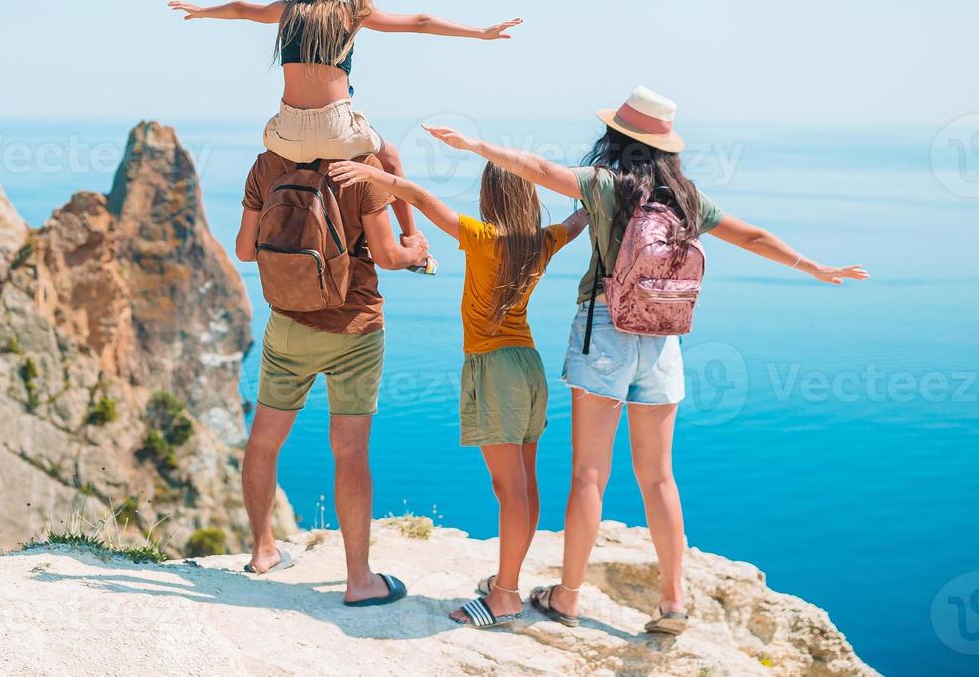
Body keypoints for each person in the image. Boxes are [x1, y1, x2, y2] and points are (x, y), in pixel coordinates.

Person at [424, 86, 868, 635]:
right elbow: (750, 235)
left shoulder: (604, 185)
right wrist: (816, 267)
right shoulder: (686, 198)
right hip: (663, 337)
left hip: (605, 332)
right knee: (659, 478)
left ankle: (566, 596)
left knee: (589, 475)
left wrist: (474, 145)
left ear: (616, 136)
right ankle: (673, 602)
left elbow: (536, 168)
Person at [327, 156, 588, 628]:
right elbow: (577, 219)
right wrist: (601, 188)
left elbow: (425, 201)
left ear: (490, 197)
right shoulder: (543, 241)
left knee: (508, 489)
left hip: (495, 370)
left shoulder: (484, 238)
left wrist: (375, 177)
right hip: (529, 366)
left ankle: (505, 596)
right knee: (526, 485)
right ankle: (506, 579)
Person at [170, 0, 521, 272]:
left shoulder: (287, 11)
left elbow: (242, 9)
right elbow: (420, 22)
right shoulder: (351, 13)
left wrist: (202, 11)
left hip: (287, 133)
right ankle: (412, 243)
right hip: (338, 132)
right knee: (392, 156)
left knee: (286, 145)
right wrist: (480, 32)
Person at [235, 149, 428, 607]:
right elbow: (387, 255)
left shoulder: (268, 164)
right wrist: (414, 249)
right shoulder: (360, 169)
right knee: (350, 451)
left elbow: (245, 250)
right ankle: (359, 580)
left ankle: (264, 551)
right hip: (354, 329)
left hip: (288, 324)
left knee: (264, 440)